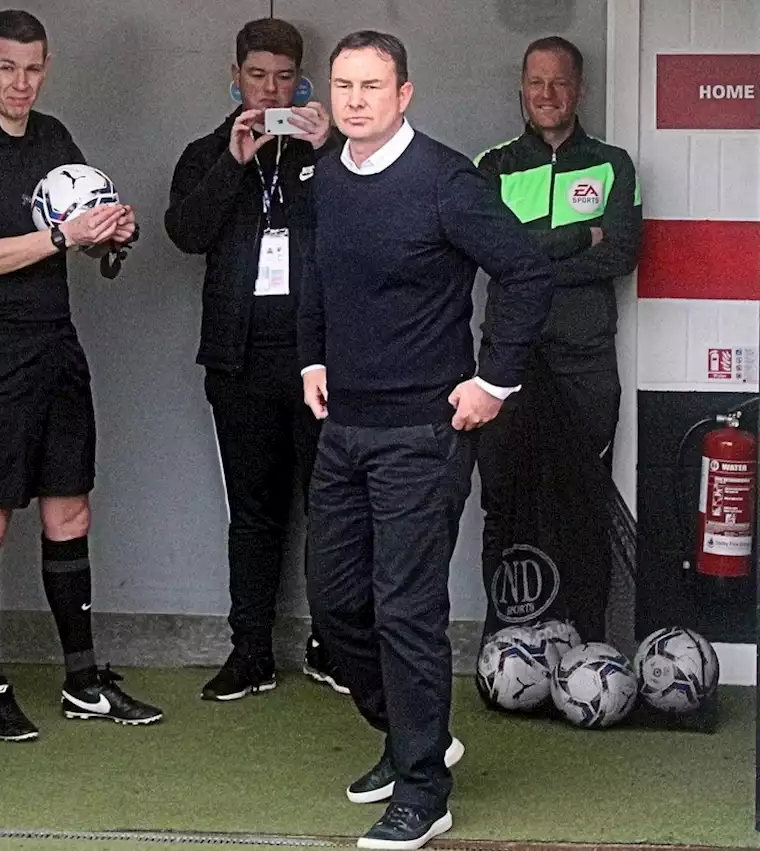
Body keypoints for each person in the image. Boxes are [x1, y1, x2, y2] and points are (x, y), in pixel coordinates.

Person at [299, 32, 554, 850]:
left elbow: (526, 271)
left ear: (405, 93)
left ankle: (422, 789)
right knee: (337, 605)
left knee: (406, 609)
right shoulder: (329, 174)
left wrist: (493, 381)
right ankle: (418, 731)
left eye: (374, 86)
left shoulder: (448, 181)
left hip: (424, 433)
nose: (357, 100)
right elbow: (318, 270)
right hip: (344, 431)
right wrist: (311, 353)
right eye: (345, 85)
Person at [0, 9, 161, 743]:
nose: (21, 84)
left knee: (70, 511)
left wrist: (108, 237)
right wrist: (62, 235)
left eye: (32, 69)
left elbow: (83, 235)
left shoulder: (55, 137)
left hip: (56, 344)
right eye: (7, 68)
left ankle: (83, 679)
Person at [164, 17, 348, 702]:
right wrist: (233, 161)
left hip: (316, 360)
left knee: (330, 505)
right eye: (257, 74)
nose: (269, 88)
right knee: (253, 511)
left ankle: (335, 644)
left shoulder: (327, 152)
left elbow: (360, 222)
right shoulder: (209, 150)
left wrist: (328, 150)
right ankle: (250, 651)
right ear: (235, 76)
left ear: (299, 81)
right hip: (238, 359)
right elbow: (184, 231)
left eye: (283, 77)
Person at [473, 36, 642, 644]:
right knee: (503, 501)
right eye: (536, 82)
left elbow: (621, 252)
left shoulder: (613, 163)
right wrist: (578, 238)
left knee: (584, 503)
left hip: (585, 360)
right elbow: (491, 256)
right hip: (509, 361)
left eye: (560, 83)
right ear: (521, 87)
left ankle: (588, 639)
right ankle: (505, 641)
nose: (547, 95)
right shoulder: (492, 166)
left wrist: (530, 258)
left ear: (580, 90)